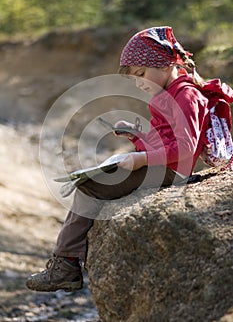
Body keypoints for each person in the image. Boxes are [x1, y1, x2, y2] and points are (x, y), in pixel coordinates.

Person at [26, 26, 210, 292]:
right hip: (164, 166)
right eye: (135, 79)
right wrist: (136, 134)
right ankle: (65, 261)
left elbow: (184, 147)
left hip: (170, 172)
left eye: (141, 74)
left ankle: (65, 265)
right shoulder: (172, 95)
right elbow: (166, 140)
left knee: (89, 186)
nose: (139, 83)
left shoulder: (187, 96)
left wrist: (141, 160)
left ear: (166, 63)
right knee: (92, 180)